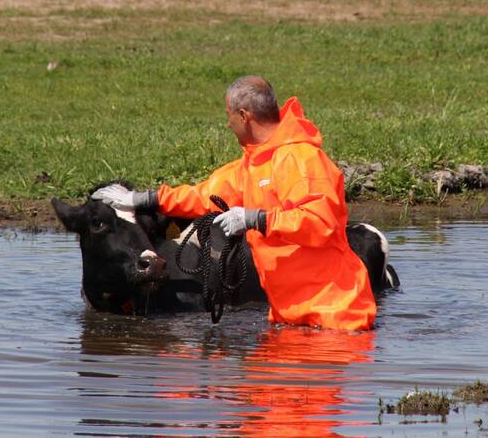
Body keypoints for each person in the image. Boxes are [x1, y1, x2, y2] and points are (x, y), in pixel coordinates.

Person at [93, 75, 377, 331]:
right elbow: (204, 196)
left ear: (244, 116)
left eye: (228, 116)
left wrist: (257, 219)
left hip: (335, 317)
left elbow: (320, 222)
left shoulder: (300, 159)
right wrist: (145, 199)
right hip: (290, 315)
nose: (227, 123)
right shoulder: (252, 164)